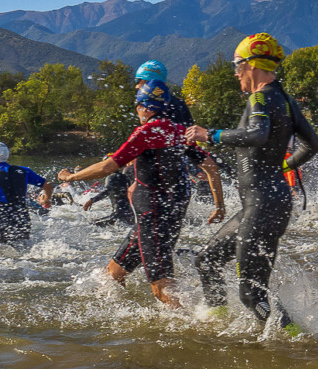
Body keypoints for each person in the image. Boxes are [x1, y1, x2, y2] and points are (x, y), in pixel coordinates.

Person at [183, 33, 318, 326]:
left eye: (236, 65)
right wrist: (281, 167)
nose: (235, 74)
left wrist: (211, 135)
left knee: (251, 293)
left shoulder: (260, 96)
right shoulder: (287, 100)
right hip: (265, 202)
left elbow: (258, 134)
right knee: (206, 261)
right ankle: (215, 320)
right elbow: (312, 145)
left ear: (250, 65)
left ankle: (298, 340)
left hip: (263, 204)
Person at [60, 82, 225, 307]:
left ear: (145, 108)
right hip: (167, 215)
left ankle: (201, 328)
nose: (137, 111)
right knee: (112, 275)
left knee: (162, 289)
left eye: (137, 106)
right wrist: (219, 206)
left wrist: (70, 178)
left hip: (153, 216)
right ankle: (115, 325)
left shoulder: (147, 132)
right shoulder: (178, 130)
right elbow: (211, 167)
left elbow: (108, 167)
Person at [0, 141, 53, 247]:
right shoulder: (24, 171)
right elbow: (48, 185)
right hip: (23, 222)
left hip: (2, 225)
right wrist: (46, 199)